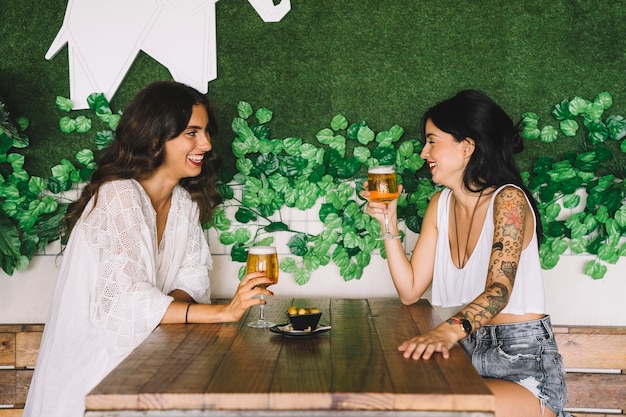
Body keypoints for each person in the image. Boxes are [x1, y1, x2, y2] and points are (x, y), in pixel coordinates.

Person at [23, 81, 273, 417]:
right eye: (192, 133)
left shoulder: (183, 204)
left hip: (147, 369)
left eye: (206, 132)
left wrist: (156, 314)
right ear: (156, 139)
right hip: (94, 385)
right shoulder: (118, 196)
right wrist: (222, 312)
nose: (207, 143)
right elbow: (126, 303)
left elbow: (193, 281)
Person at [363, 89, 570, 417]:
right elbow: (409, 290)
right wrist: (388, 220)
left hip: (523, 373)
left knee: (441, 409)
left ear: (467, 146)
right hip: (466, 358)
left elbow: (499, 291)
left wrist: (445, 332)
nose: (422, 152)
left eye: (432, 141)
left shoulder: (509, 200)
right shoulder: (440, 205)